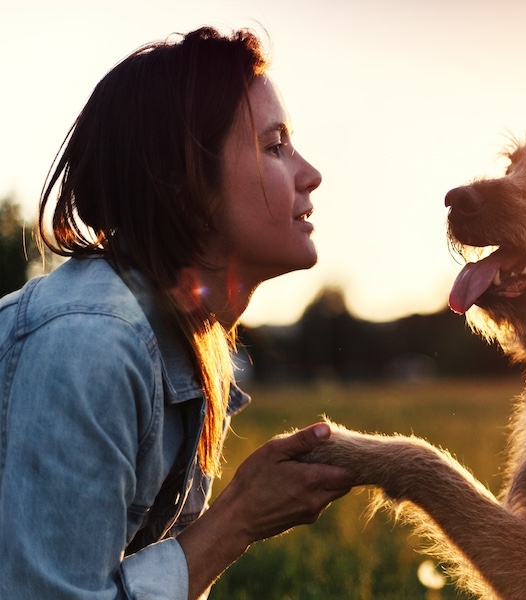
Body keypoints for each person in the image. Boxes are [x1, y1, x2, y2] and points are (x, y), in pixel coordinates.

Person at [0, 26, 353, 599]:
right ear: (187, 183)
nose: (310, 173)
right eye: (275, 145)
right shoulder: (92, 344)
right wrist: (236, 519)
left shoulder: (183, 343)